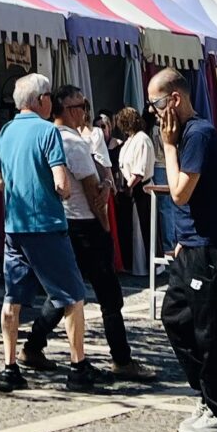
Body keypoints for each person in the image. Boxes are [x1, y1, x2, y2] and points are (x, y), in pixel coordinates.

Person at [147, 66, 217, 432]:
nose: (152, 113)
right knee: (175, 317)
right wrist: (182, 236)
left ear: (175, 99)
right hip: (192, 244)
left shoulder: (198, 134)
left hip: (210, 247)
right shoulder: (189, 134)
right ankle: (206, 395)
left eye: (155, 104)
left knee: (207, 329)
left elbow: (180, 192)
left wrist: (167, 146)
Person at [0, 72, 99, 392]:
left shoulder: (5, 131)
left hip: (15, 225)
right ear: (40, 100)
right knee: (73, 297)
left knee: (12, 299)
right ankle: (78, 366)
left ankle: (9, 367)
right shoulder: (48, 132)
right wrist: (63, 193)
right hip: (47, 225)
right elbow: (62, 183)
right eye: (49, 96)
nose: (51, 101)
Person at [35, 87, 151, 380]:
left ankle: (33, 344)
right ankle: (122, 358)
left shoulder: (47, 138)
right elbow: (93, 191)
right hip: (85, 224)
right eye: (81, 105)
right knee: (109, 295)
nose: (84, 111)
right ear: (70, 108)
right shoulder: (72, 142)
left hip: (62, 223)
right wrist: (105, 224)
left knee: (63, 291)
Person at [114, 105, 158, 280]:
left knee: (142, 229)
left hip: (140, 190)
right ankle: (135, 264)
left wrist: (129, 187)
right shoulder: (131, 139)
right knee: (133, 229)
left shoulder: (141, 139)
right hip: (130, 188)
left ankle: (146, 266)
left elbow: (139, 170)